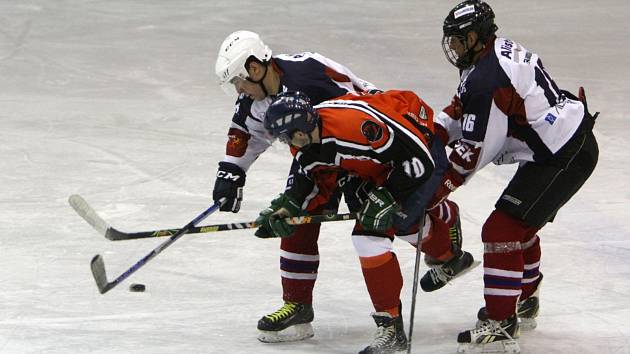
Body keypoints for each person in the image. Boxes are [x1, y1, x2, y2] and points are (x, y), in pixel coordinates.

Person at [434, 1, 599, 353]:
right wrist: (431, 131)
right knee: (519, 227)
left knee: (501, 230)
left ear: (476, 37)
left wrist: (436, 188)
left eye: (459, 40)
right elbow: (464, 108)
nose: (454, 48)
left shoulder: (487, 77)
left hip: (563, 155)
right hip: (560, 146)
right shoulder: (492, 54)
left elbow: (476, 151)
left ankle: (500, 323)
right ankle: (523, 298)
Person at [257, 90, 478, 353]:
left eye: (285, 136)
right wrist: (289, 208)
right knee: (400, 224)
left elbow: (419, 158)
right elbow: (314, 179)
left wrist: (388, 196)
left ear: (299, 129)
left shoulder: (357, 127)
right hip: (374, 166)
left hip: (423, 153)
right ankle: (447, 242)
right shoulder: (306, 143)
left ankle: (392, 329)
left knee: (371, 235)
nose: (285, 142)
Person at [213, 29, 383, 343]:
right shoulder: (254, 98)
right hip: (314, 155)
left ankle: (444, 250)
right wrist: (231, 173)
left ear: (255, 68)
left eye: (239, 81)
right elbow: (244, 134)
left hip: (360, 142)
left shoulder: (309, 72)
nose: (239, 90)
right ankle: (298, 305)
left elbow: (362, 103)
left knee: (379, 214)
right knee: (295, 215)